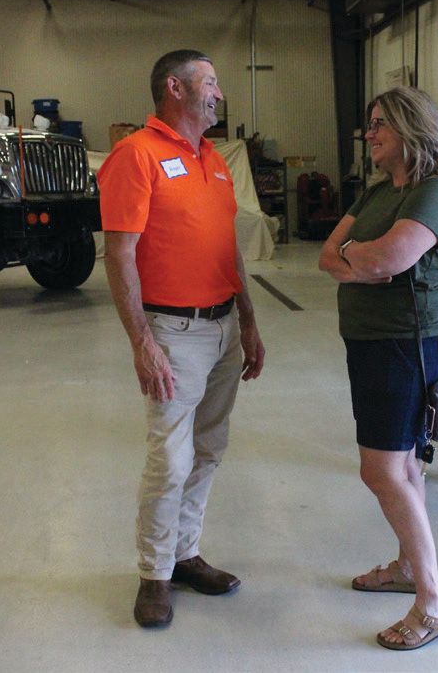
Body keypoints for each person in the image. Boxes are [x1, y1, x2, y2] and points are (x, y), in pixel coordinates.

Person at [98, 49, 265, 628]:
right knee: (170, 459)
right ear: (175, 87)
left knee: (209, 448)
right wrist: (141, 341)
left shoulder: (215, 160)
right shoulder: (135, 155)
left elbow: (228, 249)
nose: (219, 93)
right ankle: (153, 575)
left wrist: (247, 318)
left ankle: (184, 554)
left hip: (223, 329)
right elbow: (118, 253)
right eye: (211, 83)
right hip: (172, 331)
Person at [319, 86, 438, 650]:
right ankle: (409, 566)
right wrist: (359, 259)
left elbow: (389, 258)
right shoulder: (379, 191)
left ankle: (434, 599)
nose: (370, 133)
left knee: (382, 472)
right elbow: (327, 255)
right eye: (370, 123)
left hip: (408, 346)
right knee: (404, 469)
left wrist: (359, 256)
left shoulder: (434, 192)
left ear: (411, 129)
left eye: (380, 124)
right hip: (374, 345)